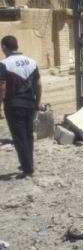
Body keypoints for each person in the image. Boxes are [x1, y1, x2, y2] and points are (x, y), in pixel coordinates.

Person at [0, 36, 42, 178]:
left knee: (19, 137)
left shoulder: (4, 64)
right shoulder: (32, 62)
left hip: (13, 104)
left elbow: (2, 87)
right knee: (28, 135)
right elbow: (39, 85)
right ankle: (28, 162)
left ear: (4, 47)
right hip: (30, 103)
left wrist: (0, 105)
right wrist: (37, 103)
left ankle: (28, 168)